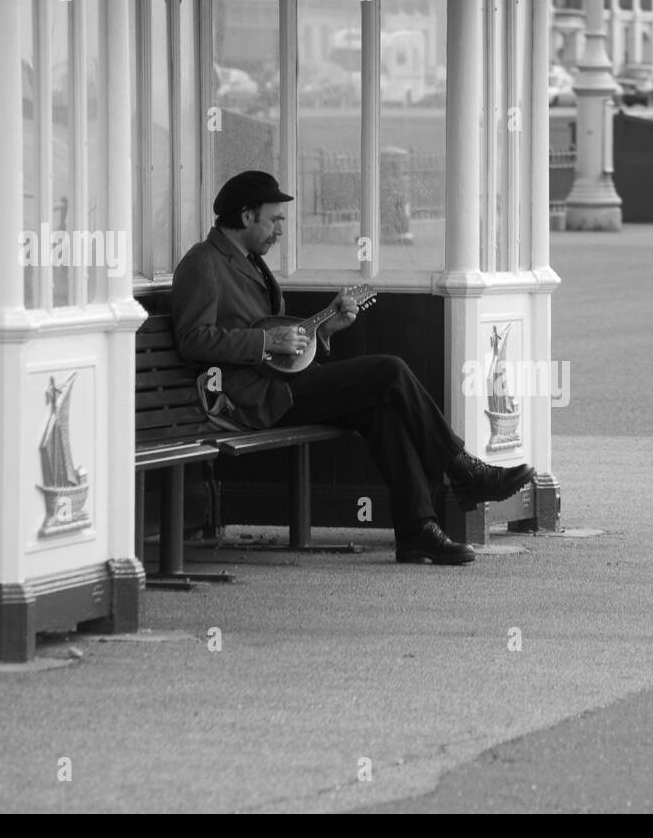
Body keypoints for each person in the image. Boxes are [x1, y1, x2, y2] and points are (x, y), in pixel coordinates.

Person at [171, 170, 534, 565]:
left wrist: (324, 330)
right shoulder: (202, 263)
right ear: (245, 217)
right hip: (247, 401)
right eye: (274, 220)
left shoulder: (251, 262)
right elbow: (193, 339)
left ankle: (417, 532)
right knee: (389, 371)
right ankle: (462, 470)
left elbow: (276, 340)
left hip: (278, 386)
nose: (279, 231)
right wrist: (265, 343)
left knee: (381, 410)